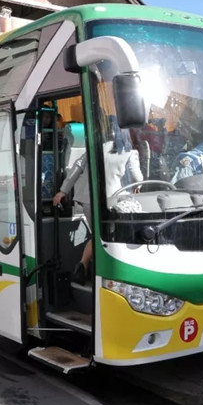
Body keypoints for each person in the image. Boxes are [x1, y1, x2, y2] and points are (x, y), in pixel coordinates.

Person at [52, 117, 143, 284]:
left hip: (88, 200)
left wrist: (62, 191)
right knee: (108, 237)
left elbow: (76, 168)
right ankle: (98, 270)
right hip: (114, 202)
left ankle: (84, 267)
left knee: (98, 234)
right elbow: (138, 178)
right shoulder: (129, 151)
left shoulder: (94, 148)